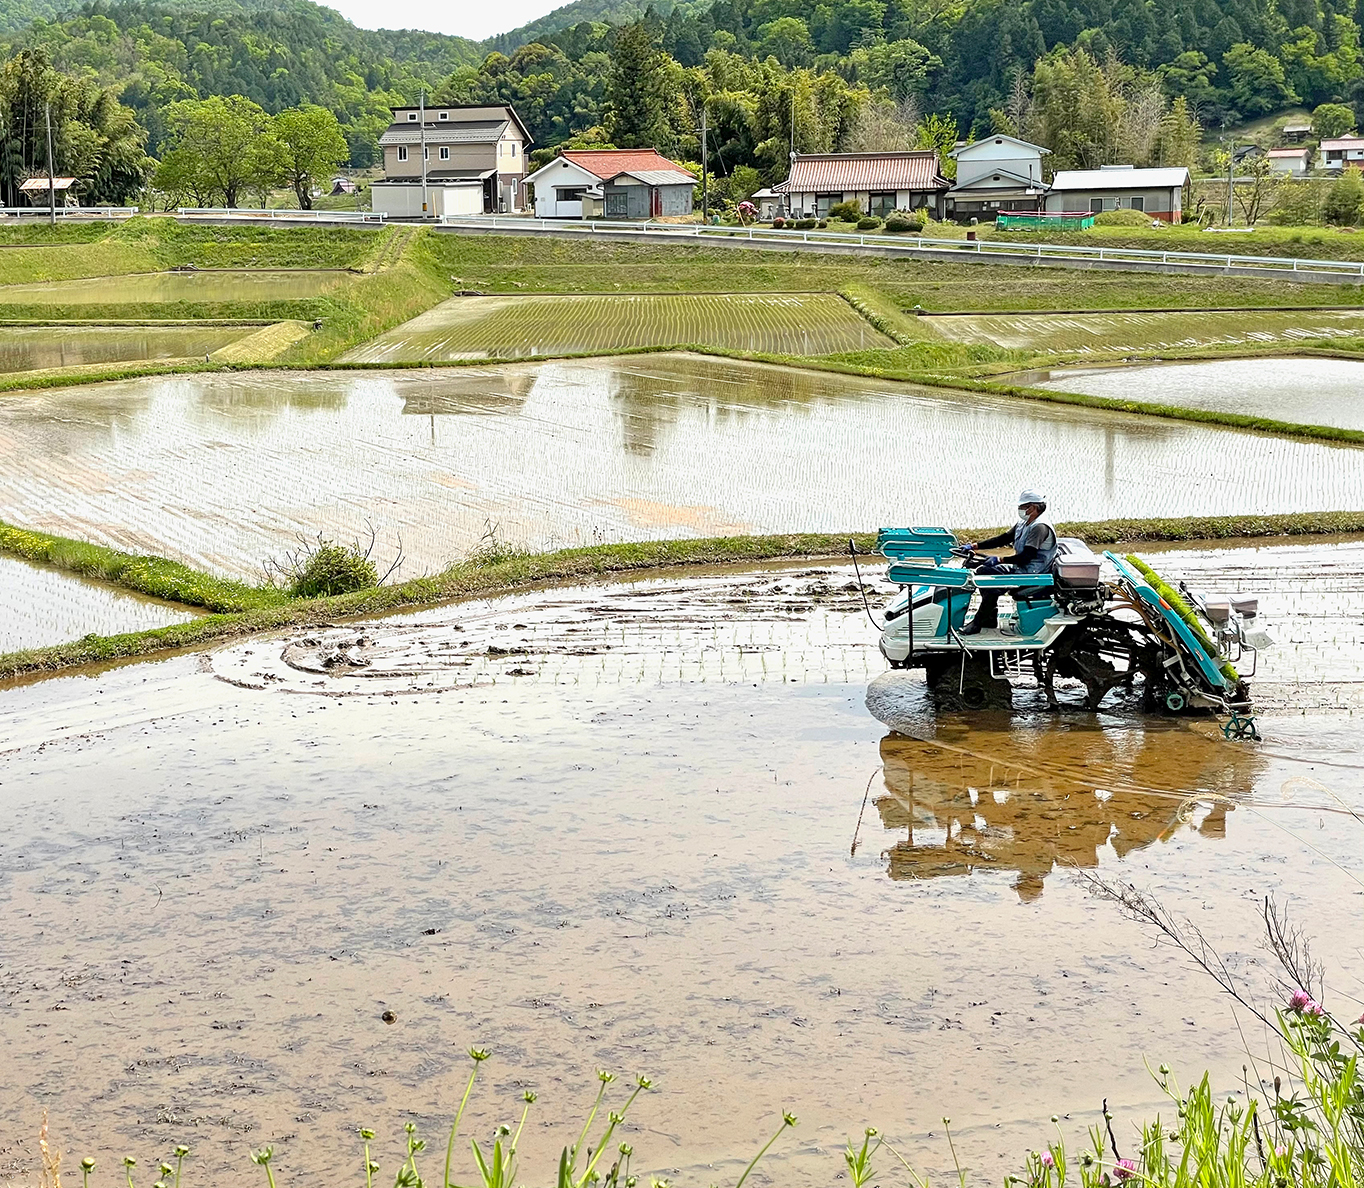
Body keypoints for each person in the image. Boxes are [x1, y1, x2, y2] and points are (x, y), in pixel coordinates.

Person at [960, 489, 1058, 635]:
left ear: (1033, 507)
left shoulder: (1039, 527)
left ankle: (978, 622)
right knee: (983, 571)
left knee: (989, 576)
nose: (1020, 509)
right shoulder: (1024, 523)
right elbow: (1003, 539)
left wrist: (999, 559)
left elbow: (1026, 557)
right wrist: (975, 546)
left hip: (1033, 571)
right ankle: (989, 617)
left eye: (1022, 506)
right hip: (1024, 567)